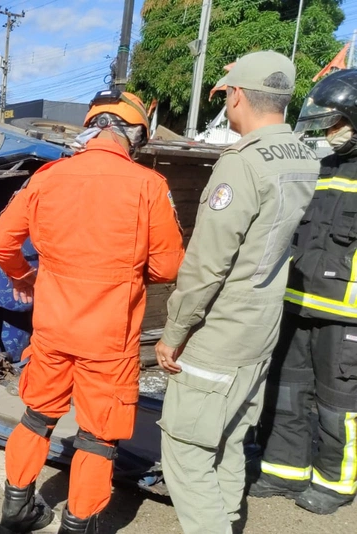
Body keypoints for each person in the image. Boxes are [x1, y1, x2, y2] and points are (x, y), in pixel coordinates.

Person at [0, 89, 185, 534]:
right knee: (98, 434)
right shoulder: (149, 185)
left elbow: (0, 243)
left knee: (37, 416)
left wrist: (22, 276)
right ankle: (78, 526)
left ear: (92, 127)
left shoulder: (48, 176)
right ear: (134, 135)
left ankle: (15, 509)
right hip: (109, 339)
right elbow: (168, 265)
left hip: (53, 328)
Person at [154, 50, 319, 533]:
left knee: (186, 452)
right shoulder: (302, 155)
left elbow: (208, 264)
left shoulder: (242, 164)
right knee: (227, 439)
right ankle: (227, 521)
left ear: (239, 95)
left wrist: (174, 331)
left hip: (220, 333)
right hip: (261, 327)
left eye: (226, 94)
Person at [250, 68, 357, 515]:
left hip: (346, 316)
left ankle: (336, 482)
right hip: (297, 302)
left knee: (339, 405)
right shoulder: (320, 169)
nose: (330, 134)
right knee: (287, 391)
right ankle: (282, 470)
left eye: (336, 124)